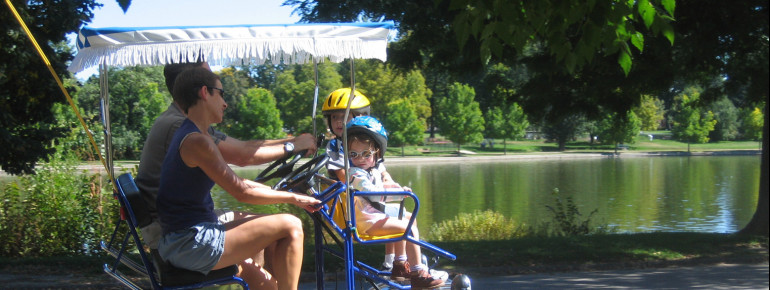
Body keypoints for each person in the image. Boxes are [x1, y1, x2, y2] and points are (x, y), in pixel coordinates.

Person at [135, 61, 317, 288]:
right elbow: (241, 191)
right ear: (204, 92)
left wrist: (279, 191)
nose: (225, 103)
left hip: (187, 235)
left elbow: (239, 180)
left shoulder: (194, 134)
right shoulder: (197, 141)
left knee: (267, 282)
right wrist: (293, 198)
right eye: (221, 94)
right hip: (189, 242)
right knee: (291, 225)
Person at [344, 116, 445, 289]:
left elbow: (382, 186)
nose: (360, 159)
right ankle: (418, 274)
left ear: (377, 153)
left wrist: (397, 188)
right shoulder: (355, 174)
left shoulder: (371, 170)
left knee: (407, 216)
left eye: (366, 154)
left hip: (372, 215)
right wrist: (396, 195)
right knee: (409, 227)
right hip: (366, 222)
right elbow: (372, 194)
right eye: (354, 154)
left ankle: (400, 265)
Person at [321, 88, 401, 270]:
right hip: (358, 207)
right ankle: (405, 265)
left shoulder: (366, 142)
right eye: (334, 117)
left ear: (359, 117)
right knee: (405, 221)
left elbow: (382, 170)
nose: (339, 121)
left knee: (403, 214)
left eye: (345, 116)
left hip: (372, 201)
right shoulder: (335, 147)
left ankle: (392, 262)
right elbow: (345, 178)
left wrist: (387, 180)